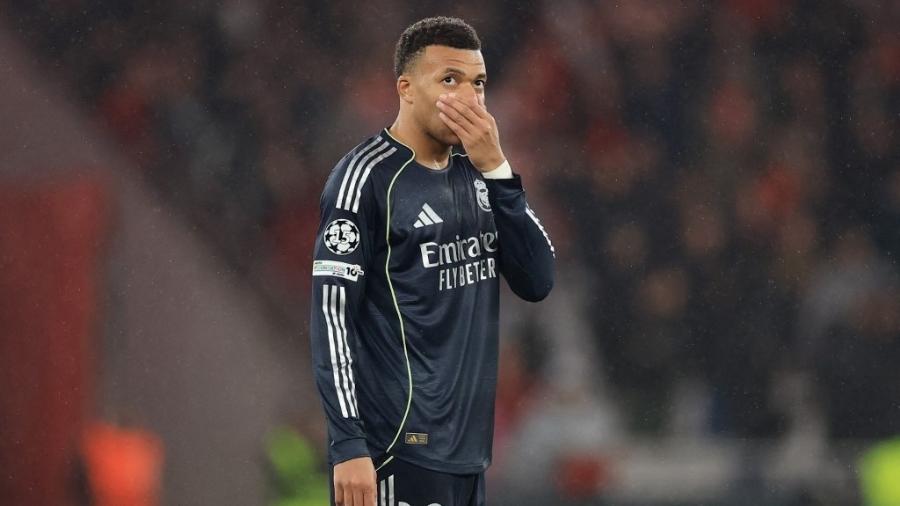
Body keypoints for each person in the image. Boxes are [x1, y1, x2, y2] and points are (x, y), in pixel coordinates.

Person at [310, 16, 555, 506]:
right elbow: (332, 315)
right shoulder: (365, 180)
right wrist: (348, 443)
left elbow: (537, 279)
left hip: (468, 458)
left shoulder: (480, 174)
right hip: (397, 451)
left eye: (478, 83)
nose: (468, 97)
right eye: (449, 80)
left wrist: (499, 171)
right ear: (406, 88)